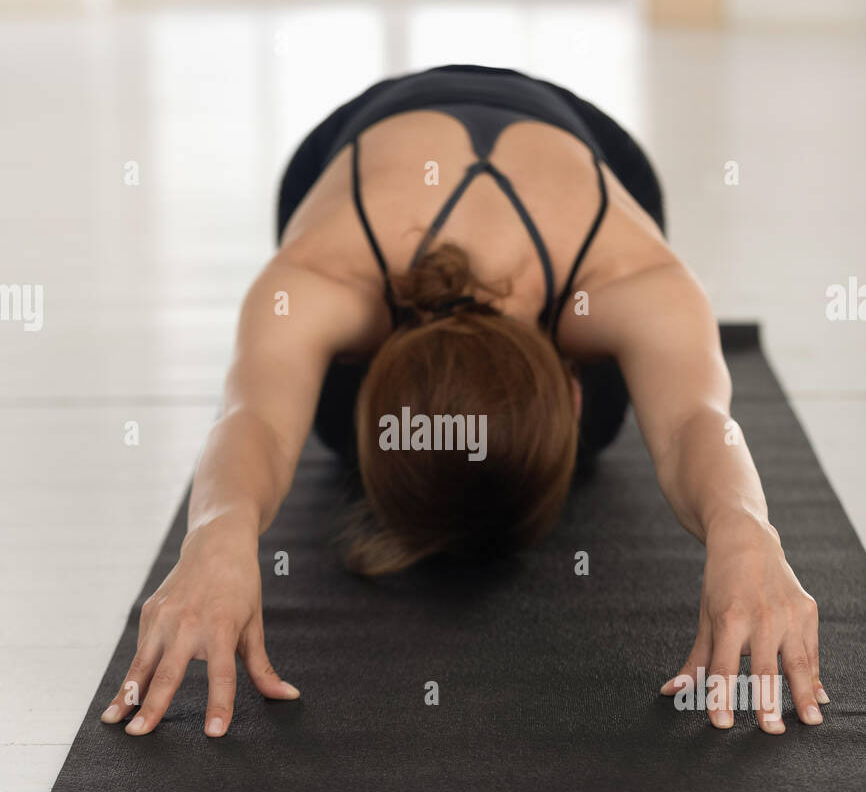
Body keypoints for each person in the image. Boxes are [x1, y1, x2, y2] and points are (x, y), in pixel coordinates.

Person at [101, 64, 826, 739]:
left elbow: (696, 426)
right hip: (361, 159)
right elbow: (253, 419)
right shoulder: (321, 273)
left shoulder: (629, 276)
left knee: (563, 437)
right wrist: (218, 531)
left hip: (568, 152)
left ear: (573, 384)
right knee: (329, 418)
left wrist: (744, 527)